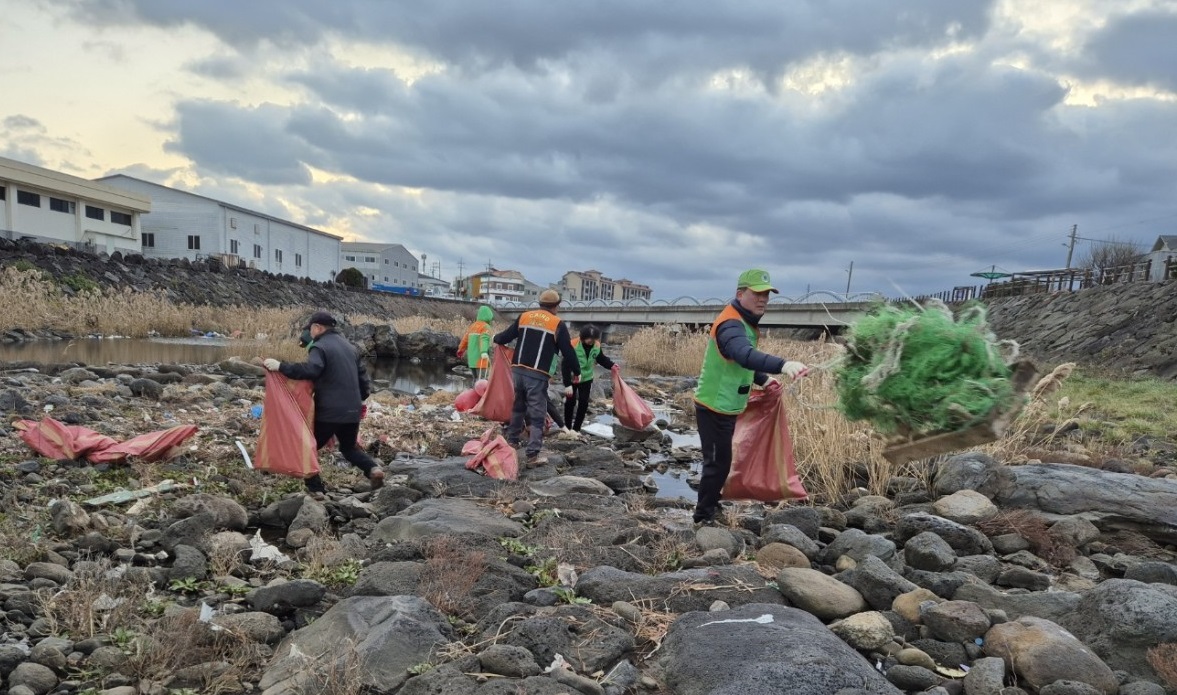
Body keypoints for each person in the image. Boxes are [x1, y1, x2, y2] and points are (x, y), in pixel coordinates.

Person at [692, 269, 808, 527]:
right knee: (717, 464)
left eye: (766, 294)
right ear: (740, 294)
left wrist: (764, 379)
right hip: (712, 406)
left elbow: (739, 362)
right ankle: (703, 517)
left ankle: (710, 505)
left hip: (728, 405)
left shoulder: (745, 322)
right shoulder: (730, 324)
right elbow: (742, 353)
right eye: (757, 293)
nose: (763, 299)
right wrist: (783, 364)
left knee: (722, 461)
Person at [263, 311, 384, 495]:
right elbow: (363, 381)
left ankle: (316, 490)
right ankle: (373, 470)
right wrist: (357, 400)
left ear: (317, 327)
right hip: (352, 410)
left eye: (310, 329)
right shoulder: (350, 348)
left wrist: (281, 366)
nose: (309, 334)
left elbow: (312, 370)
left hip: (329, 411)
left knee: (306, 447)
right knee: (348, 447)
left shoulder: (319, 347)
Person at [493, 289, 579, 465]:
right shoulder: (557, 324)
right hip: (537, 373)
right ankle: (532, 455)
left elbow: (506, 336)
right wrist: (576, 371)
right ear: (556, 306)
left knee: (518, 407)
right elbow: (568, 351)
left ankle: (512, 441)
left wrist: (495, 338)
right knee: (538, 414)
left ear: (539, 304)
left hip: (517, 370)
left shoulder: (525, 317)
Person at [564, 325, 618, 432]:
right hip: (572, 378)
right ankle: (567, 427)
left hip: (587, 378)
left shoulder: (596, 345)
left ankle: (576, 429)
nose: (591, 341)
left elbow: (601, 359)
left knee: (584, 402)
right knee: (570, 402)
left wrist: (612, 365)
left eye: (594, 339)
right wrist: (567, 384)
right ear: (582, 337)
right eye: (589, 339)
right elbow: (565, 365)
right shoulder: (573, 344)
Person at [457, 305, 495, 380]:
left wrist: (460, 350)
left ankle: (474, 390)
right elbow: (484, 339)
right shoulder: (486, 327)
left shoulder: (472, 326)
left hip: (472, 360)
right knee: (482, 381)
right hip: (481, 359)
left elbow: (465, 339)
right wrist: (484, 352)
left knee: (475, 380)